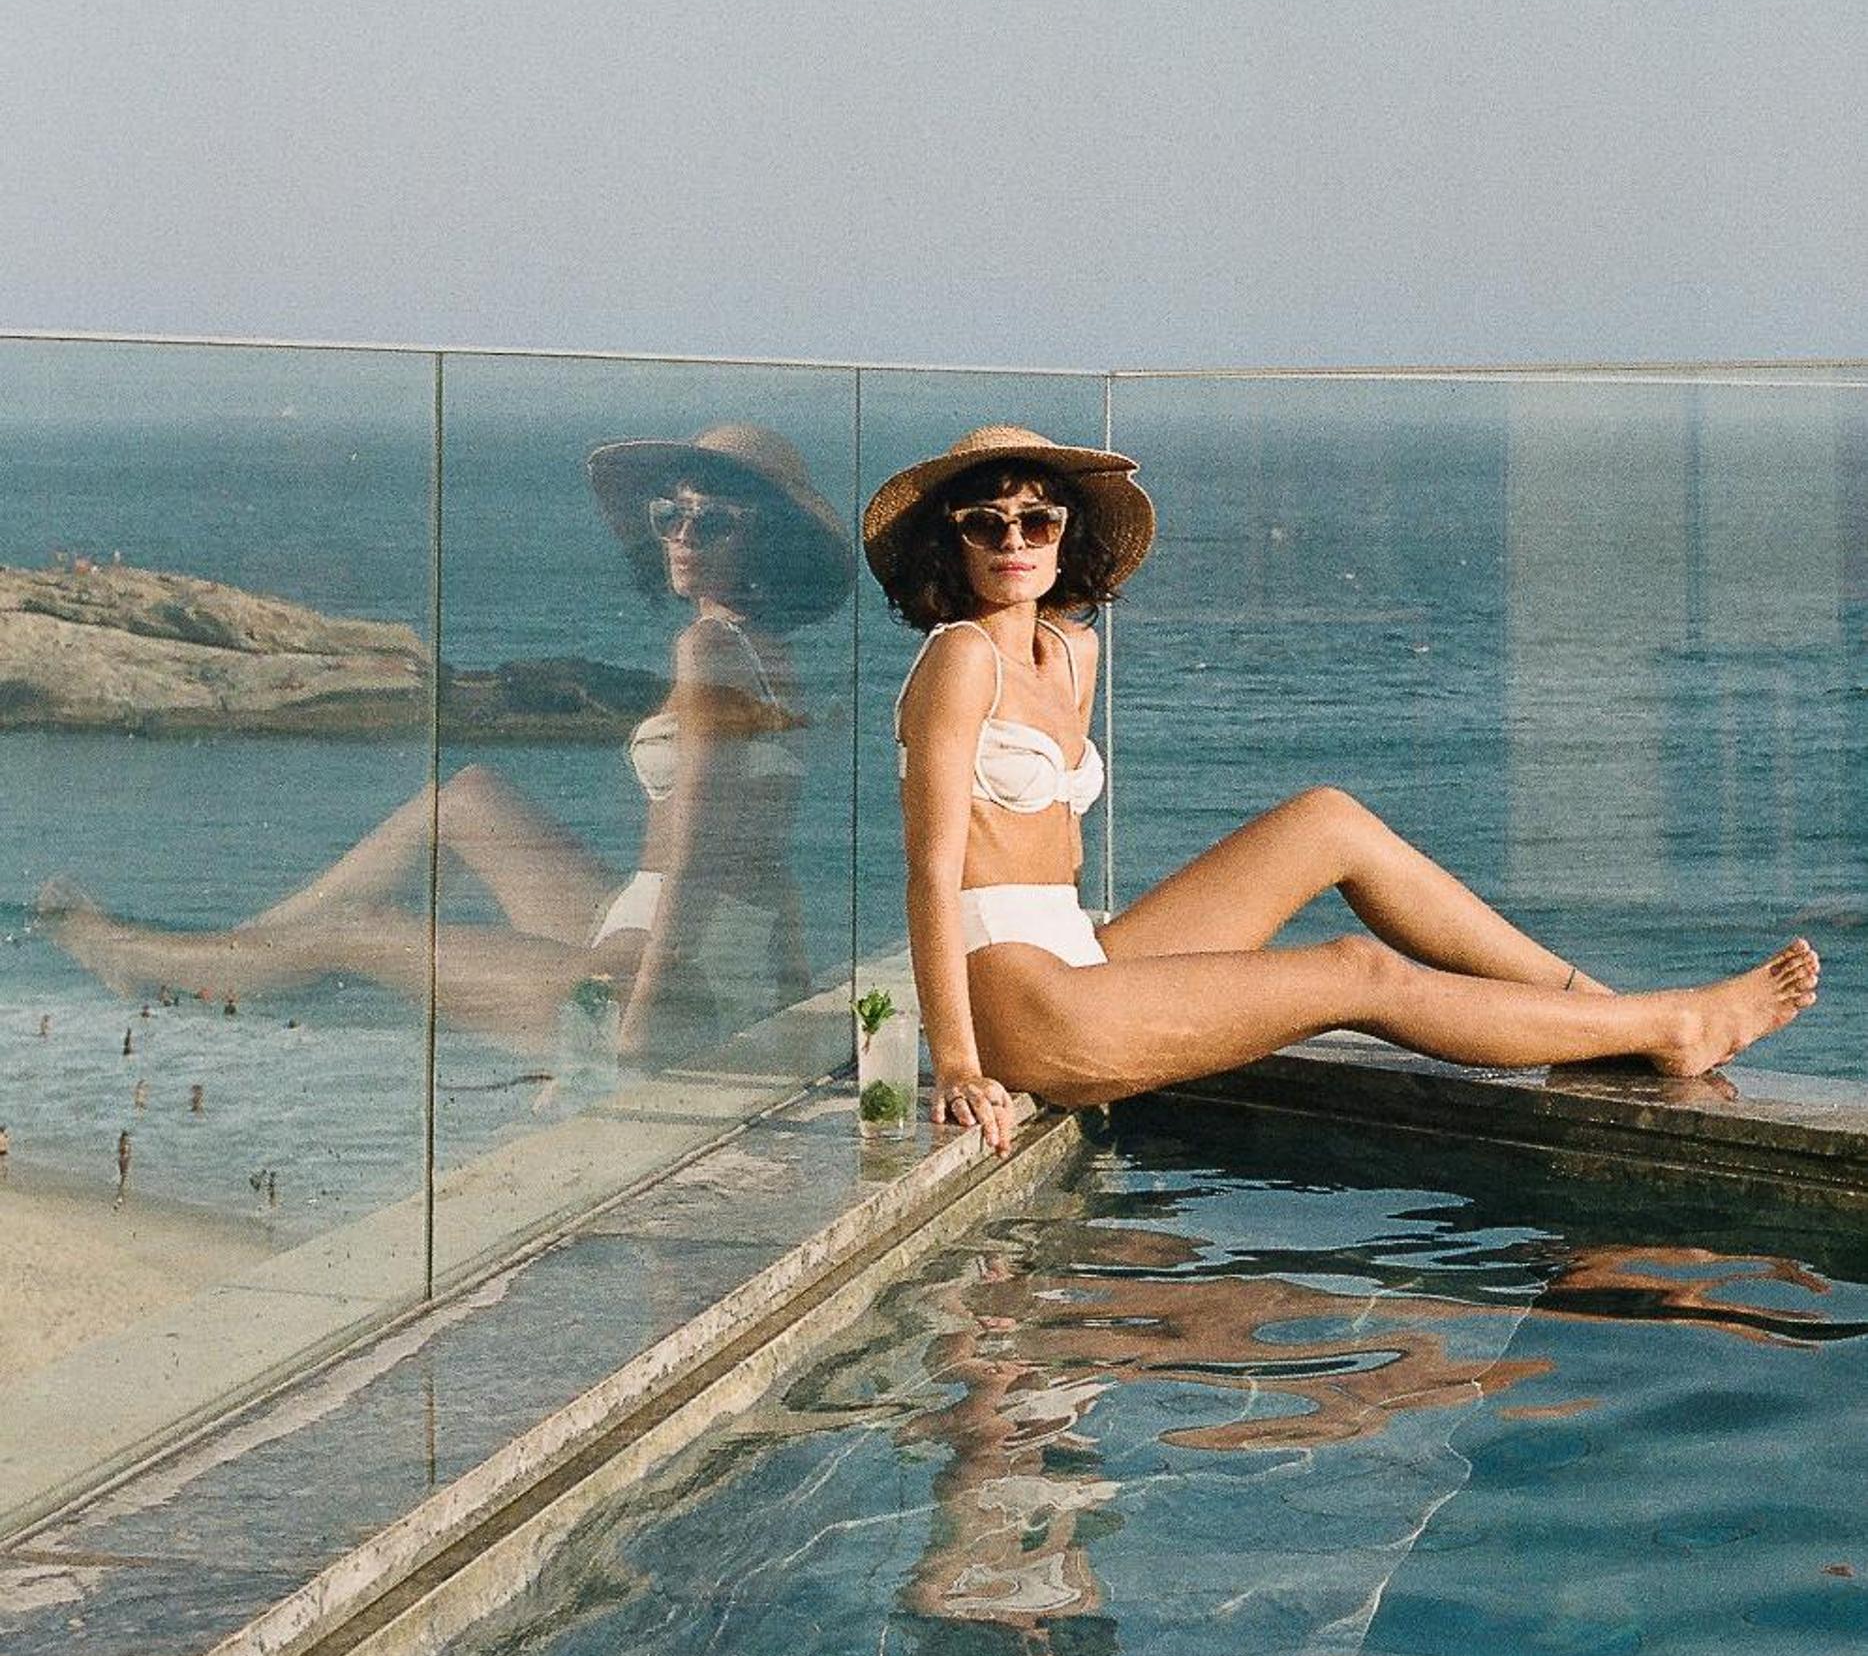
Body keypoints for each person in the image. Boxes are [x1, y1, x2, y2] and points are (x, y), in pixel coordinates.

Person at [865, 426, 1821, 1157]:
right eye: (985, 524)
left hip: (1076, 955)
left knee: (1327, 820)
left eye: (1037, 520)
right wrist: (959, 1062)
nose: (1014, 540)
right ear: (954, 546)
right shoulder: (960, 661)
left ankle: (1596, 1010)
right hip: (1017, 1001)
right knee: (1355, 972)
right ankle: (1671, 1024)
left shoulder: (1071, 651)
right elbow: (932, 875)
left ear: (1065, 534)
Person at [41, 425, 854, 1063]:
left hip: (648, 982)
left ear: (767, 541)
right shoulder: (765, 656)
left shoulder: (707, 652)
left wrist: (640, 1035)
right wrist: (789, 987)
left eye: (712, 521)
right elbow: (766, 858)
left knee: (352, 928)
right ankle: (237, 952)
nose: (683, 536)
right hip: (671, 944)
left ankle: (154, 958)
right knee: (466, 797)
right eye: (671, 515)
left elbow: (701, 859)